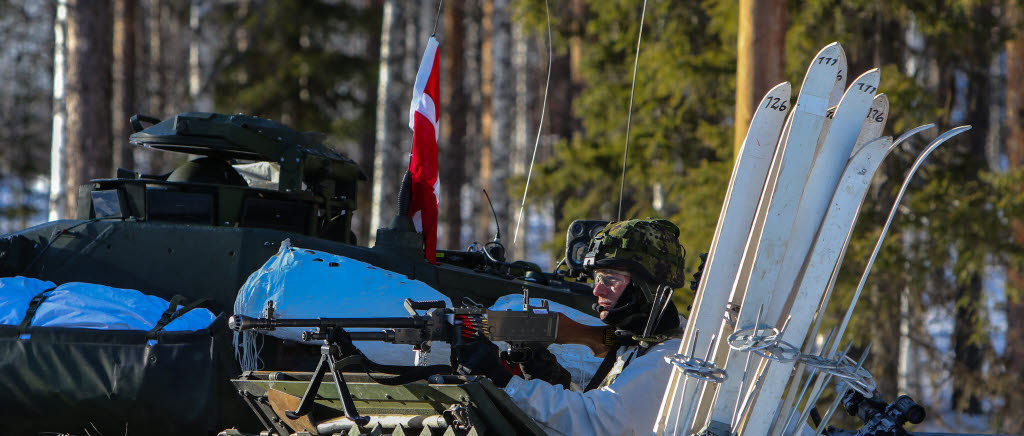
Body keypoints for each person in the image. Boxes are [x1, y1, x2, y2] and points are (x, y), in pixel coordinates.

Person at [457, 218, 688, 435]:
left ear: (648, 286)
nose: (597, 290)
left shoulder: (667, 358)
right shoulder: (637, 344)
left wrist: (505, 383)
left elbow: (598, 422)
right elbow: (603, 411)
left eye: (611, 279)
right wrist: (555, 380)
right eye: (597, 278)